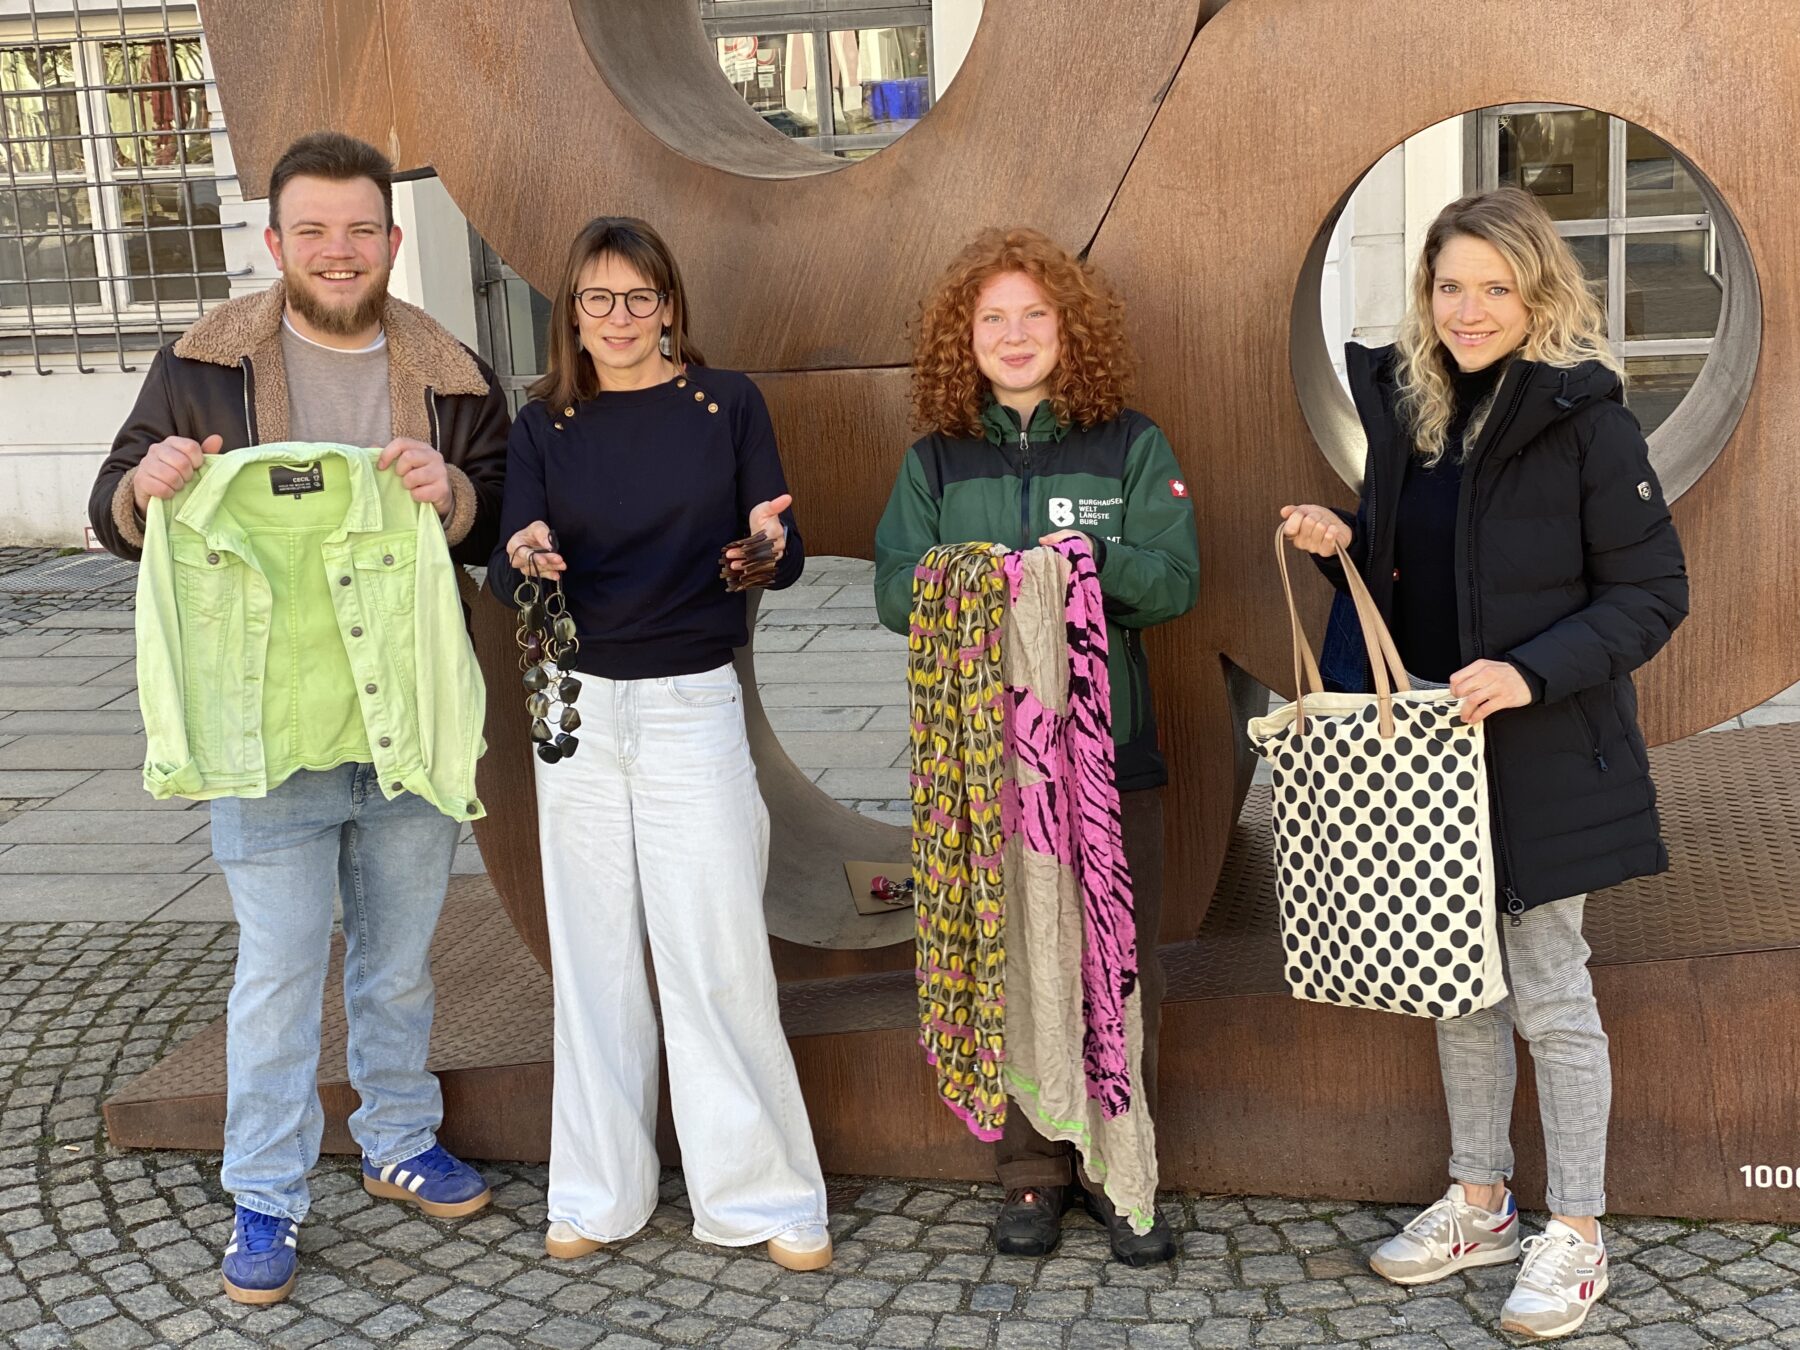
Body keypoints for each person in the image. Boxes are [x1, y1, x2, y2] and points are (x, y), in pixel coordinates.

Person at [87, 131, 510, 1306]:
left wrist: (455, 493)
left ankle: (396, 1139)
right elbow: (111, 503)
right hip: (266, 732)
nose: (339, 250)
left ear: (391, 241)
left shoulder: (452, 372)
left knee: (399, 965)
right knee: (276, 976)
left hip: (406, 722)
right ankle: (265, 1194)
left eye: (360, 229)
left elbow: (509, 511)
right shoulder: (200, 365)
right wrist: (144, 488)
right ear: (276, 242)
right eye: (314, 230)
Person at [1280, 187, 1688, 1340]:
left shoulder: (1589, 424)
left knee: (1549, 993)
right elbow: (1421, 565)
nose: (1468, 310)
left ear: (1537, 293)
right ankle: (1479, 1203)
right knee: (1455, 982)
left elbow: (1653, 594)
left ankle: (1579, 1232)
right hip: (1429, 757)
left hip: (1544, 754)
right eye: (1450, 286)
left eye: (1494, 288)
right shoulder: (1413, 410)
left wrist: (1527, 672)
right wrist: (1342, 545)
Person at [486, 217, 832, 1271]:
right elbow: (507, 561)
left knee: (716, 952)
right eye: (598, 298)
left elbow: (781, 549)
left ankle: (763, 1193)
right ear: (572, 314)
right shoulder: (544, 423)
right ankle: (598, 1191)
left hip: (691, 701)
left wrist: (767, 545)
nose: (620, 318)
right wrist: (525, 551)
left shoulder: (727, 404)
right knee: (593, 959)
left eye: (640, 297)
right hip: (578, 712)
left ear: (670, 305)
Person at [874, 226, 1200, 1266]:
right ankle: (1031, 1173)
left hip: (1108, 761)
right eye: (993, 320)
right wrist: (986, 577)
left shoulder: (1130, 445)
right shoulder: (935, 460)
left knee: (1115, 964)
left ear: (1070, 328)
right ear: (963, 339)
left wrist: (1078, 559)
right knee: (1008, 957)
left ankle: (1115, 1169)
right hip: (985, 767)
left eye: (1034, 315)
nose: (1014, 337)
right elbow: (896, 591)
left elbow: (1174, 579)